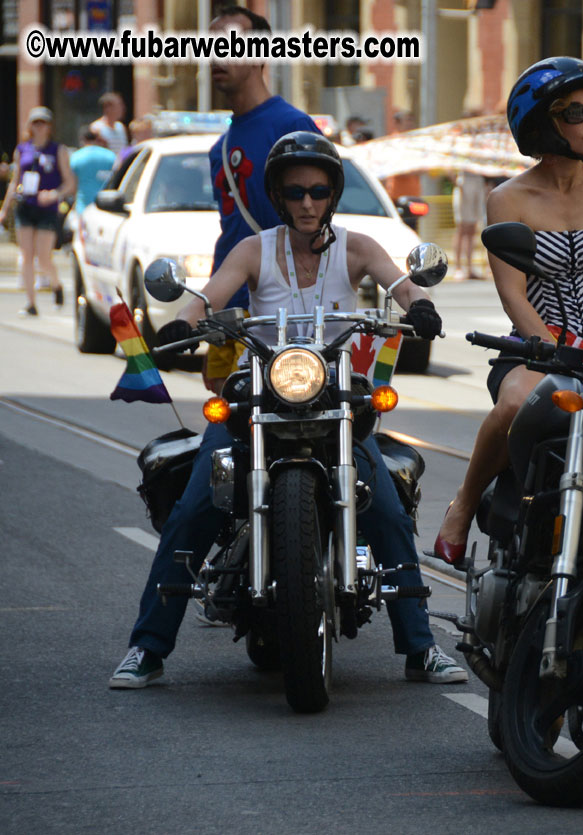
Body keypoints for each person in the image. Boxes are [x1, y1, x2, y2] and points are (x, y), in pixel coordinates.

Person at [109, 131, 464, 689]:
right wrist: (186, 317)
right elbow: (211, 293)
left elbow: (401, 284)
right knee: (196, 507)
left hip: (336, 399)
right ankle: (147, 649)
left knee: (388, 510)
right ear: (279, 194)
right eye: (295, 191)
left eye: (318, 191)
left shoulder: (357, 247)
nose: (306, 202)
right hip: (258, 396)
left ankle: (421, 648)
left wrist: (421, 307)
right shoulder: (254, 249)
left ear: (333, 194)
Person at [431, 57, 583, 568]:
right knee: (517, 405)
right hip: (538, 344)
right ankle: (464, 503)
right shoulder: (507, 198)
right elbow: (512, 291)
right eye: (576, 111)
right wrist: (552, 347)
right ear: (542, 123)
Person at [205, 5, 320, 395]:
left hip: (279, 316)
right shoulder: (219, 147)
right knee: (226, 425)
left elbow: (317, 221)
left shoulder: (291, 127)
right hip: (228, 312)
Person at [0, 107, 72, 316]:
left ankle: (56, 285)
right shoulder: (22, 149)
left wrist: (54, 194)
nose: (39, 127)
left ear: (50, 127)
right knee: (26, 255)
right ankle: (31, 303)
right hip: (25, 206)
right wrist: (4, 209)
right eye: (35, 123)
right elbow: (15, 182)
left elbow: (69, 183)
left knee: (43, 256)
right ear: (30, 126)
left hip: (47, 208)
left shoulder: (58, 150)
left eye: (43, 123)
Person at [68, 126, 116, 215]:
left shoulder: (75, 157)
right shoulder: (111, 156)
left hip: (83, 208)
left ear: (82, 139)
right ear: (97, 139)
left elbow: (72, 185)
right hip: (106, 209)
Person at [452, 168, 487, 281]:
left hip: (478, 180)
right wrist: (457, 182)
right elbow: (448, 166)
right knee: (462, 228)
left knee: (472, 228)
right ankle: (458, 268)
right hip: (465, 181)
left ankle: (469, 268)